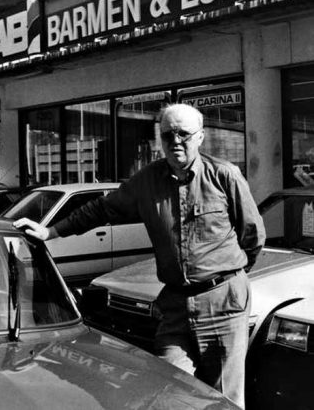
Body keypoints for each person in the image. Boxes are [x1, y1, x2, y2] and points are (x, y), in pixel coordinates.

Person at [13, 103, 265, 409]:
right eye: (167, 134)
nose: (175, 141)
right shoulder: (146, 181)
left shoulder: (224, 176)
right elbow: (101, 209)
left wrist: (229, 276)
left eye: (183, 133)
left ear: (200, 137)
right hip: (175, 306)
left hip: (223, 303)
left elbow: (252, 235)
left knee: (223, 398)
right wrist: (51, 232)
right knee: (160, 389)